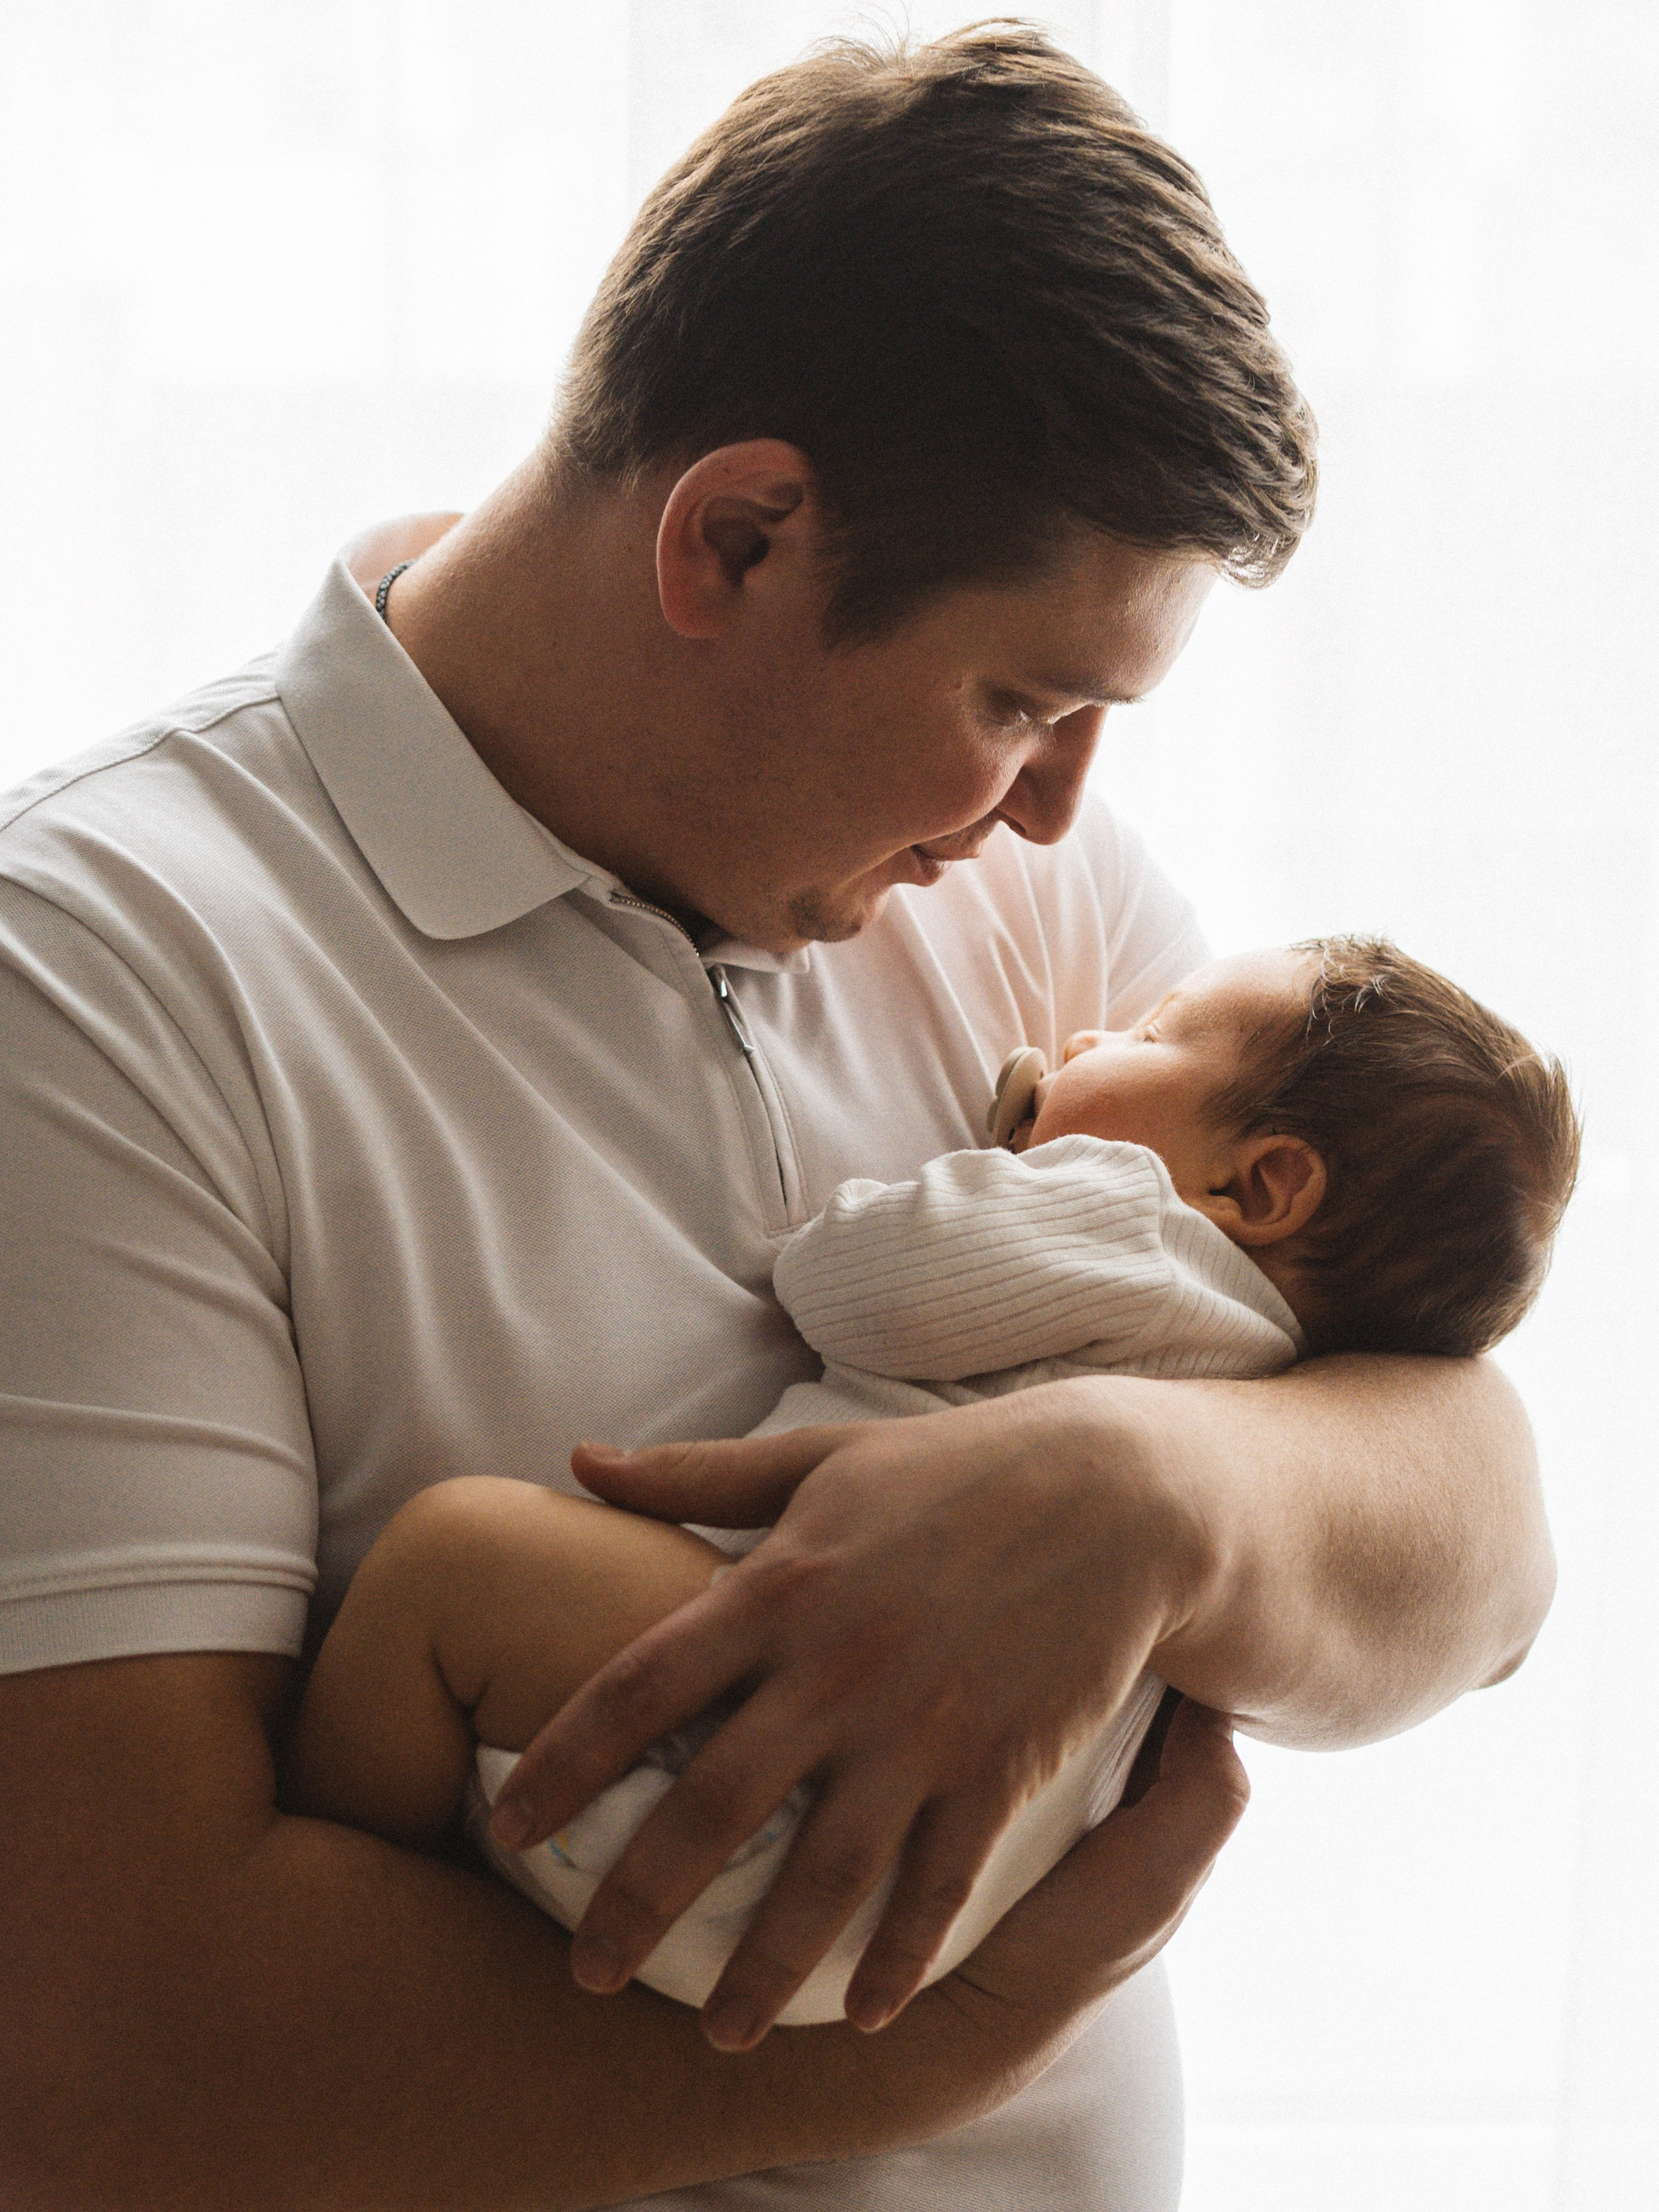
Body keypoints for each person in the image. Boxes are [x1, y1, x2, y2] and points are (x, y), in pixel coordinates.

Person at [0, 26, 1555, 2212]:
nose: (1057, 808)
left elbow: (1484, 1547)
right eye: (1022, 699)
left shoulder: (1014, 891)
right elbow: (112, 2073)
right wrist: (946, 2045)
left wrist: (1145, 1495)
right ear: (737, 536)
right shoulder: (98, 982)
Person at [280, 940, 1577, 2025]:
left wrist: (1011, 1158)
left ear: (1261, 1182)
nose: (1085, 1039)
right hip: (908, 1922)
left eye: (1151, 1034)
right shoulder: (1282, 1367)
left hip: (766, 1764)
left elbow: (855, 1286)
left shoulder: (1128, 1214)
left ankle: (336, 1864)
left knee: (450, 1565)